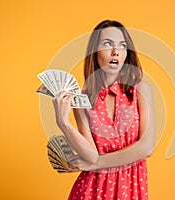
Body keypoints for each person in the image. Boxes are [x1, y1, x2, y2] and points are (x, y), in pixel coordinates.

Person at [52, 20, 156, 200]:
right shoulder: (83, 99)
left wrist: (99, 163)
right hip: (92, 191)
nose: (116, 51)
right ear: (94, 52)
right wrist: (64, 123)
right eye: (108, 44)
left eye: (122, 46)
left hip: (131, 189)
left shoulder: (141, 90)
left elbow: (146, 148)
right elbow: (90, 156)